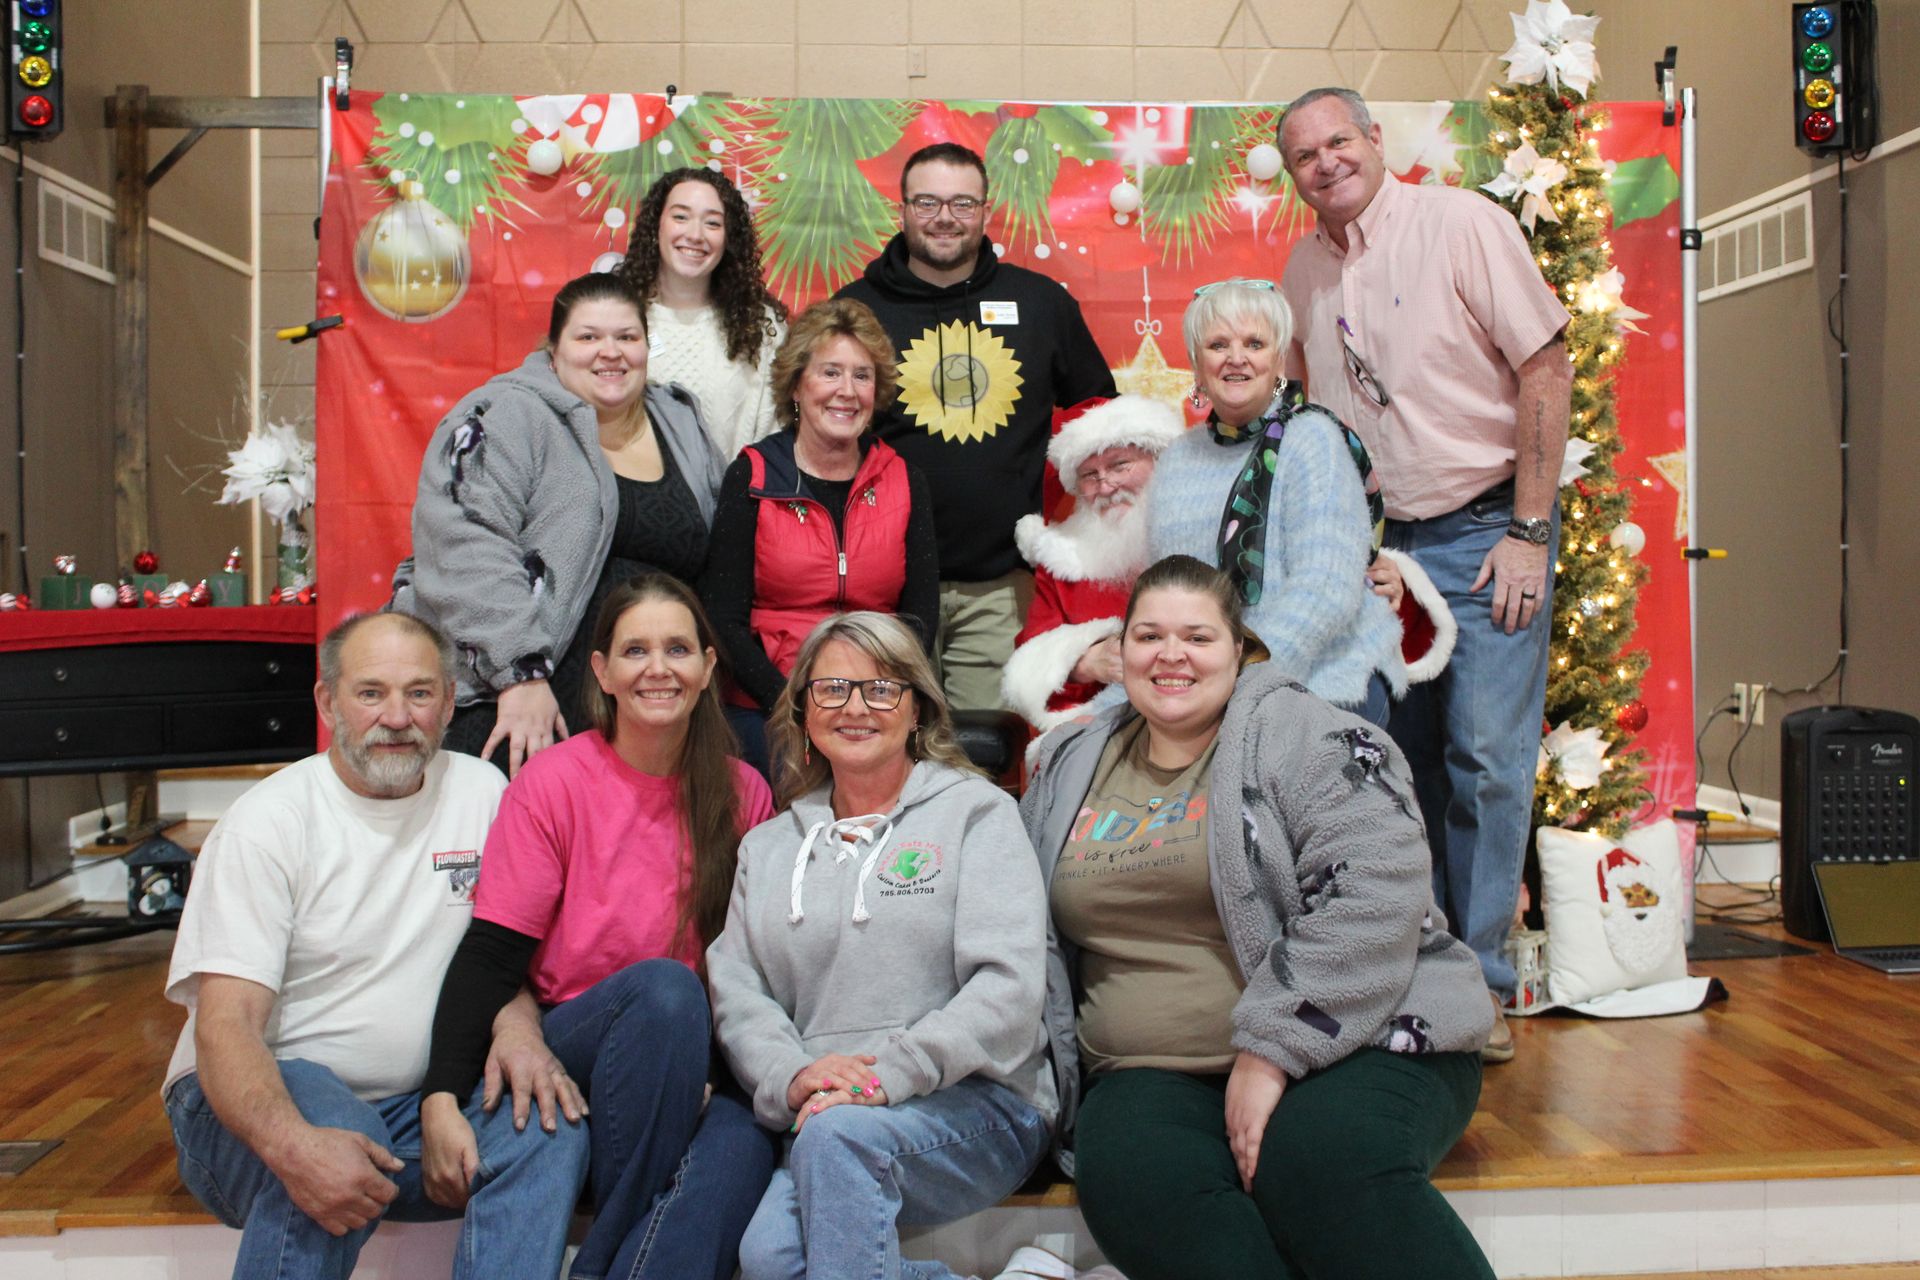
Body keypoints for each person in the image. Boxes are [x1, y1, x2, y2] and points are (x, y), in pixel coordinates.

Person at [1020, 555, 1496, 1280]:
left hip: (1357, 1037)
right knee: (1138, 1186)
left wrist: (1270, 1049)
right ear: (1121, 652)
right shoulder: (1069, 761)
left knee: (1319, 1165)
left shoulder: (1314, 737)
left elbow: (1375, 896)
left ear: (1241, 650)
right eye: (1148, 636)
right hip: (1146, 1068)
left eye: (1198, 637)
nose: (1170, 655)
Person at [1278, 87, 1573, 1059]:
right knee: (1388, 768)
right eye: (1304, 156)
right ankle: (1410, 973)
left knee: (1486, 762)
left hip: (1488, 528)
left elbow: (1546, 363)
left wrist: (1530, 530)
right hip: (1381, 552)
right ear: (1293, 177)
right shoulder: (1302, 270)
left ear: (1373, 139)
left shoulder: (1461, 224)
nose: (1325, 162)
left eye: (1338, 141)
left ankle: (1478, 987)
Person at [160, 612, 588, 1280]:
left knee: (549, 1128)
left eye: (419, 693)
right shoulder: (267, 824)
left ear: (448, 703)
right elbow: (227, 1025)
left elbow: (497, 960)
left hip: (416, 1111)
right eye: (370, 694)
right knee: (333, 1122)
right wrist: (296, 1145)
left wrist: (518, 1028)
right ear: (327, 703)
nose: (397, 716)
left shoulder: (484, 793)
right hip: (248, 1110)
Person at [420, 575, 776, 1280]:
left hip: (690, 1049)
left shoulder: (744, 791)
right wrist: (439, 1095)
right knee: (666, 992)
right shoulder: (553, 782)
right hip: (577, 1035)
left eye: (678, 648)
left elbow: (754, 963)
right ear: (602, 671)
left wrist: (699, 1073)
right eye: (635, 650)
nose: (657, 668)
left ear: (708, 668)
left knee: (745, 1145)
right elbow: (492, 953)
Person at [706, 611, 1055, 1280]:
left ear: (918, 708)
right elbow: (738, 991)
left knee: (836, 1153)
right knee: (771, 1259)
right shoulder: (768, 847)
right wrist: (794, 1075)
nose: (855, 707)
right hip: (828, 1118)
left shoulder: (978, 814)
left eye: (881, 689)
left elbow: (1007, 990)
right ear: (803, 710)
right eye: (832, 689)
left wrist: (884, 1077)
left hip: (982, 1103)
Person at [392, 272, 728, 777]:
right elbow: (464, 541)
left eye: (627, 337)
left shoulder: (681, 421)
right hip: (520, 707)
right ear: (554, 350)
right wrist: (519, 675)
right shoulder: (502, 414)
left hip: (649, 712)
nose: (609, 352)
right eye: (588, 337)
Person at [835, 142, 1116, 712]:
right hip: (880, 583)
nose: (945, 217)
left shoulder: (1040, 304)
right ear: (904, 208)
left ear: (986, 210)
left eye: (962, 203)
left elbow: (1103, 423)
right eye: (928, 202)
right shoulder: (854, 311)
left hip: (999, 586)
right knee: (883, 743)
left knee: (986, 752)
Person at [1006, 393, 1461, 735]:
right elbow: (1031, 660)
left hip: (1253, 710)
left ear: (1161, 462)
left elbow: (1316, 589)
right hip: (1124, 730)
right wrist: (1085, 661)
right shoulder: (1064, 559)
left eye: (1121, 465)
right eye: (1089, 475)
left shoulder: (1219, 520)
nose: (1106, 485)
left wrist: (1382, 582)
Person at [1145, 278, 1405, 727]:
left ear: (1278, 358)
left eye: (1255, 343)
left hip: (1327, 675)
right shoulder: (1177, 460)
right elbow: (1164, 597)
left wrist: (1239, 683)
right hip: (1209, 688)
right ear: (1196, 364)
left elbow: (1324, 590)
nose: (1236, 358)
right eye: (1218, 344)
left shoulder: (1314, 440)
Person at [701, 298, 939, 774]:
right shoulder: (751, 474)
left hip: (878, 699)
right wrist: (793, 704)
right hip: (769, 703)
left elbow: (919, 618)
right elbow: (722, 621)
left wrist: (873, 696)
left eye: (862, 375)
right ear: (796, 384)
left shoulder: (903, 478)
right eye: (830, 372)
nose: (847, 391)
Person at [617, 166, 789, 460]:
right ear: (656, 225)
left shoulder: (761, 327)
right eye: (681, 217)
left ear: (729, 237)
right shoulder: (616, 315)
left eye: (712, 223)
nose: (695, 235)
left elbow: (777, 431)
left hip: (739, 500)